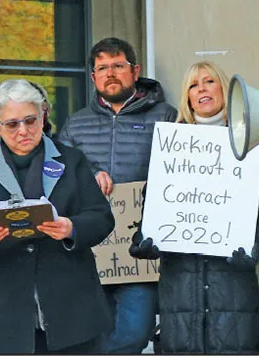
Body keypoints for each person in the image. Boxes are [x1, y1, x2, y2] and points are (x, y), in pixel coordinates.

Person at [0, 79, 114, 354]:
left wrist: (72, 228)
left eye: (30, 120)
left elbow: (102, 218)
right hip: (3, 313)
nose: (23, 131)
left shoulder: (72, 160)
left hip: (72, 312)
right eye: (12, 124)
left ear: (43, 117)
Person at [129, 61, 259, 353]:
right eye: (193, 85)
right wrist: (148, 236)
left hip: (232, 277)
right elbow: (156, 198)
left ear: (224, 89)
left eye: (210, 81)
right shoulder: (170, 143)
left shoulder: (253, 140)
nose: (202, 89)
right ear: (187, 97)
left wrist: (250, 237)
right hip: (180, 280)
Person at [56, 37, 176, 354]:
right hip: (90, 251)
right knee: (93, 332)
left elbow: (177, 173)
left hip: (140, 250)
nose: (111, 73)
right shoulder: (75, 124)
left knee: (135, 333)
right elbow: (55, 177)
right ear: (93, 76)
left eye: (118, 66)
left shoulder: (165, 116)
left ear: (135, 71)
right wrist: (89, 174)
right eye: (102, 68)